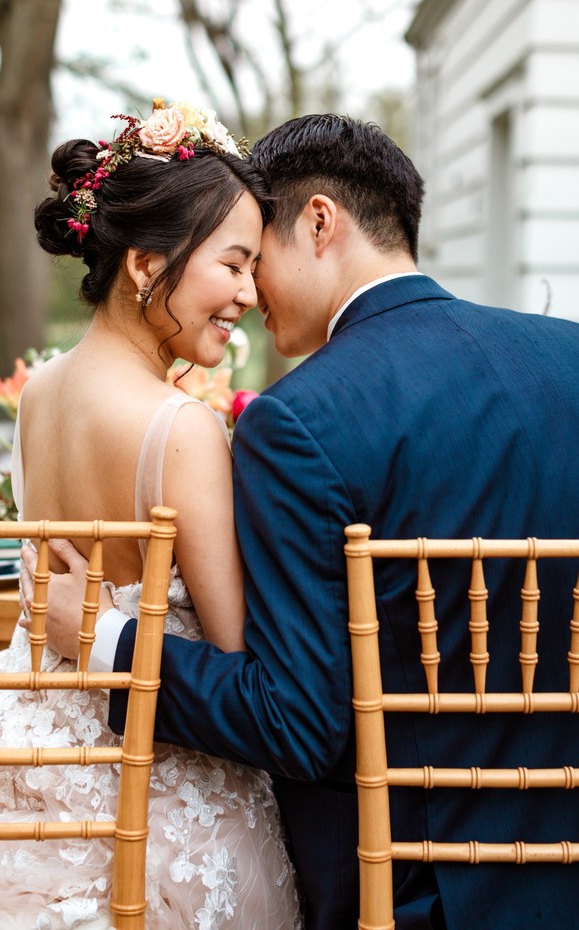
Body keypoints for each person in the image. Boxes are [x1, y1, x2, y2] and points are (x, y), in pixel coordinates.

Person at [30, 114, 579, 930]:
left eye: (258, 255)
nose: (250, 297)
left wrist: (106, 639)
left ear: (320, 222)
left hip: (410, 889)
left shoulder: (303, 420)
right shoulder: (566, 355)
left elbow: (296, 720)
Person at [0, 100, 302, 930]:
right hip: (149, 776)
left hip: (22, 743)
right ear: (148, 264)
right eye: (235, 264)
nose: (251, 294)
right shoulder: (181, 427)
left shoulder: (36, 393)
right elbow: (237, 658)